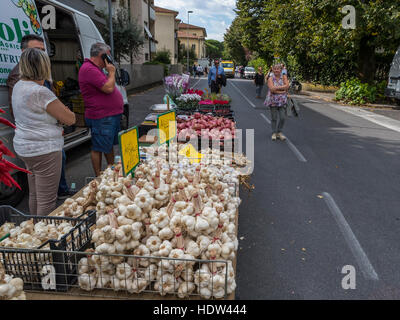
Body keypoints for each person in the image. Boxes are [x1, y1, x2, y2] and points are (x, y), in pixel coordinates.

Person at [6, 34, 74, 200]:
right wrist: (59, 115)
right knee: (47, 199)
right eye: (37, 52)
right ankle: (43, 225)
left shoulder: (20, 85)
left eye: (43, 51)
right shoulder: (39, 90)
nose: (42, 56)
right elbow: (70, 119)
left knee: (35, 193)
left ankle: (35, 223)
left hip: (27, 146)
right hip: (44, 147)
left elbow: (33, 111)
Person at [78, 42, 123, 177]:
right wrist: (112, 72)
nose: (109, 59)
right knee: (98, 147)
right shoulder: (89, 69)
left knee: (107, 145)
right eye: (108, 56)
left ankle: (111, 171)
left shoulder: (96, 69)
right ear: (101, 55)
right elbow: (108, 88)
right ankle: (98, 177)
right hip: (101, 116)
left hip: (109, 115)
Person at [265, 64, 289, 141]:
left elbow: (287, 86)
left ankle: (279, 132)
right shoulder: (270, 78)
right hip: (273, 101)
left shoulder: (284, 77)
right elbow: (272, 89)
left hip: (282, 101)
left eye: (278, 69)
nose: (276, 70)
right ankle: (274, 133)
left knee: (282, 118)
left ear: (281, 70)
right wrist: (282, 91)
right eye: (274, 69)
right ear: (272, 70)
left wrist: (276, 89)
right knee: (274, 118)